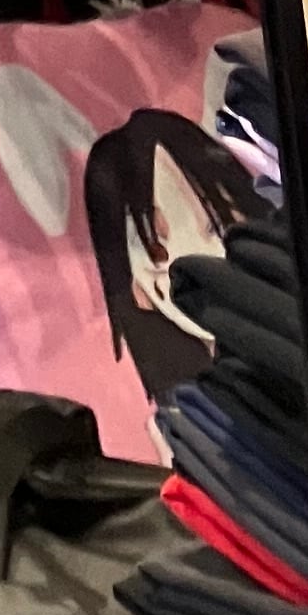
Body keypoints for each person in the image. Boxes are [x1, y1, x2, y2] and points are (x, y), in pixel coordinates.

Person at [83, 106, 259, 405]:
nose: (202, 259)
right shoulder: (194, 417)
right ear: (141, 291)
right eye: (157, 251)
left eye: (214, 226)